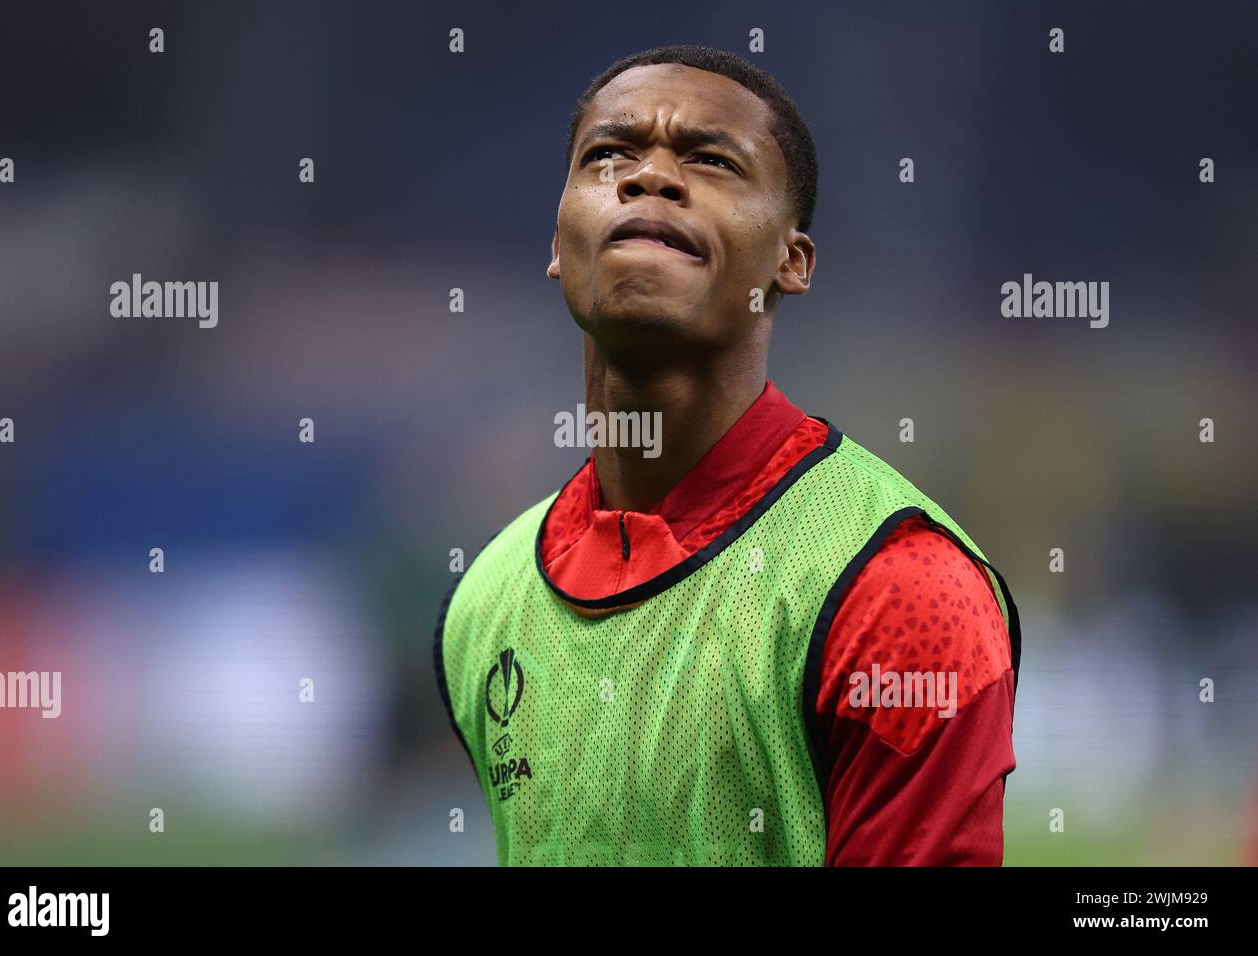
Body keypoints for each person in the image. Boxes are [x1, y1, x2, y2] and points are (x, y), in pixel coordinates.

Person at [434, 44, 1021, 866]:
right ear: (559, 245)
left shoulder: (898, 590)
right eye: (609, 156)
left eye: (711, 161)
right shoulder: (488, 601)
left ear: (793, 260)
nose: (648, 178)